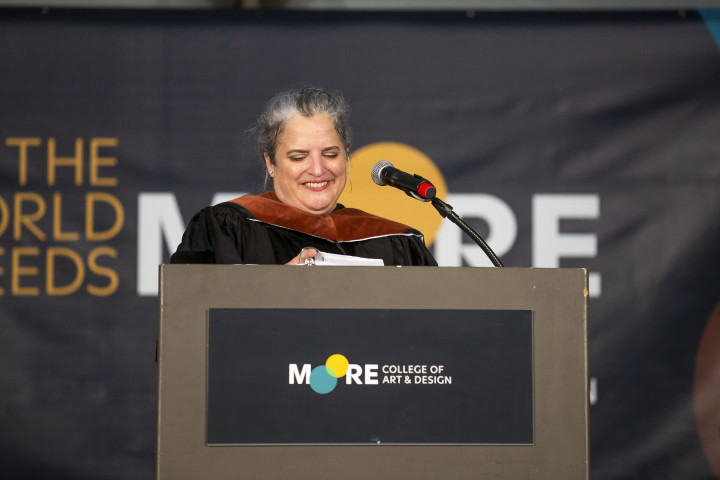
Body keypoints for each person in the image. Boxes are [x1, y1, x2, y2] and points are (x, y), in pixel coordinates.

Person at [170, 87, 437, 267]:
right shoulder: (227, 229)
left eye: (330, 154)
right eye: (298, 157)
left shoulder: (396, 243)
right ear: (270, 162)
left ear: (345, 156)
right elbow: (188, 325)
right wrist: (280, 289)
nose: (318, 170)